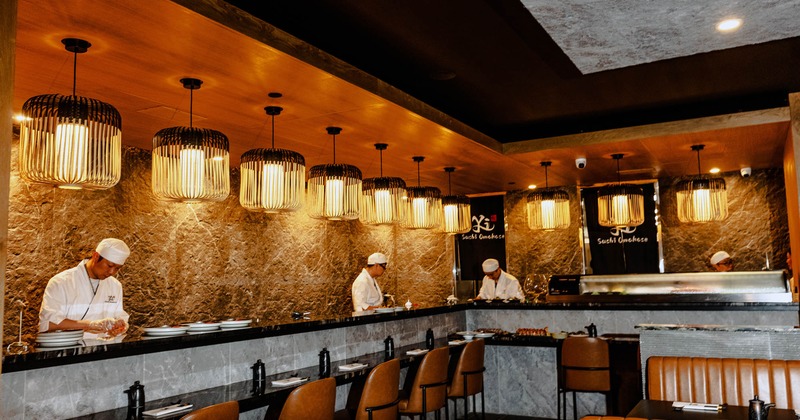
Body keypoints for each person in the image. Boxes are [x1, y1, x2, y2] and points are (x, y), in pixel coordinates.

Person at [39, 238, 131, 338]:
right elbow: (48, 324)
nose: (111, 272)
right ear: (96, 256)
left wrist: (120, 327)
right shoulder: (61, 282)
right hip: (67, 349)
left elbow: (119, 316)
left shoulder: (115, 286)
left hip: (103, 349)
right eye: (109, 265)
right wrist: (90, 325)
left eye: (117, 268)